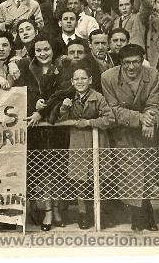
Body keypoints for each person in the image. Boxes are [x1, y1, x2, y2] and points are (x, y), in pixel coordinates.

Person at [101, 44, 159, 231]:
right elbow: (113, 109)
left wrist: (149, 119)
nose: (132, 67)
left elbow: (153, 102)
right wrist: (141, 118)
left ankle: (145, 211)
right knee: (131, 173)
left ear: (142, 61)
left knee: (148, 172)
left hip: (146, 131)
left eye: (136, 62)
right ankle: (140, 217)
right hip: (123, 132)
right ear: (120, 63)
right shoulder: (108, 77)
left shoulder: (152, 74)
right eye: (127, 63)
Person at [14, 34, 65, 231]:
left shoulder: (62, 68)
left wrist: (41, 111)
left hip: (55, 125)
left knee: (58, 169)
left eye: (46, 49)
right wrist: (32, 106)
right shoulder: (26, 69)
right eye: (39, 50)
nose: (43, 53)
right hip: (36, 130)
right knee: (42, 171)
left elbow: (63, 92)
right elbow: (21, 93)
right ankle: (47, 211)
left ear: (53, 51)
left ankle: (58, 209)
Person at [54, 64, 115, 229]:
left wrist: (88, 122)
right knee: (80, 179)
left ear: (90, 80)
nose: (80, 81)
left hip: (98, 141)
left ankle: (100, 213)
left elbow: (109, 119)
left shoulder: (98, 97)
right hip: (78, 142)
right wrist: (64, 107)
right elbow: (61, 119)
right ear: (72, 81)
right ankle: (83, 214)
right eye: (77, 79)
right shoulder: (69, 98)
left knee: (99, 178)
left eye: (83, 78)